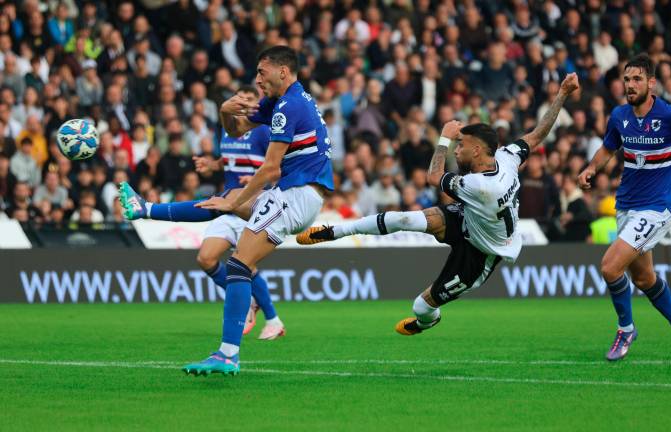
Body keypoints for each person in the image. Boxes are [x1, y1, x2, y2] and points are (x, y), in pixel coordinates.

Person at [296, 74, 580, 336]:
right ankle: (333, 232)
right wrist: (563, 94)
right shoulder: (507, 156)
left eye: (462, 146)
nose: (458, 149)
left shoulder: (478, 186)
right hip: (470, 219)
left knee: (421, 305)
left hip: (481, 254)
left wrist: (444, 136)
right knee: (405, 219)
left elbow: (434, 176)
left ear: (478, 150)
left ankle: (426, 321)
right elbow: (537, 134)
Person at [120, 46, 333, 376]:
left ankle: (228, 354)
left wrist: (235, 205)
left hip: (297, 194)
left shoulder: (288, 107)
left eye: (263, 72)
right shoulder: (281, 102)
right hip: (297, 193)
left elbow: (270, 168)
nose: (258, 78)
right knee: (228, 201)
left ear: (283, 72)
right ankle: (144, 208)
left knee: (238, 261)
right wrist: (223, 110)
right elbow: (236, 129)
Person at [576, 54, 671, 362]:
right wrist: (591, 168)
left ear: (651, 83)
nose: (630, 85)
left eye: (637, 79)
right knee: (643, 278)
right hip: (626, 206)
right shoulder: (619, 116)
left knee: (610, 266)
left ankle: (625, 329)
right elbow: (609, 147)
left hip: (656, 209)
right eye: (627, 79)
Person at [191, 86, 285, 341]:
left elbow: (279, 166)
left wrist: (257, 181)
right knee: (206, 258)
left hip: (252, 206)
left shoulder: (264, 131)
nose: (243, 104)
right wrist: (212, 165)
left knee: (246, 264)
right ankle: (248, 299)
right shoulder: (227, 129)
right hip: (228, 205)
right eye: (240, 99)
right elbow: (228, 159)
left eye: (249, 100)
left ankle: (274, 320)